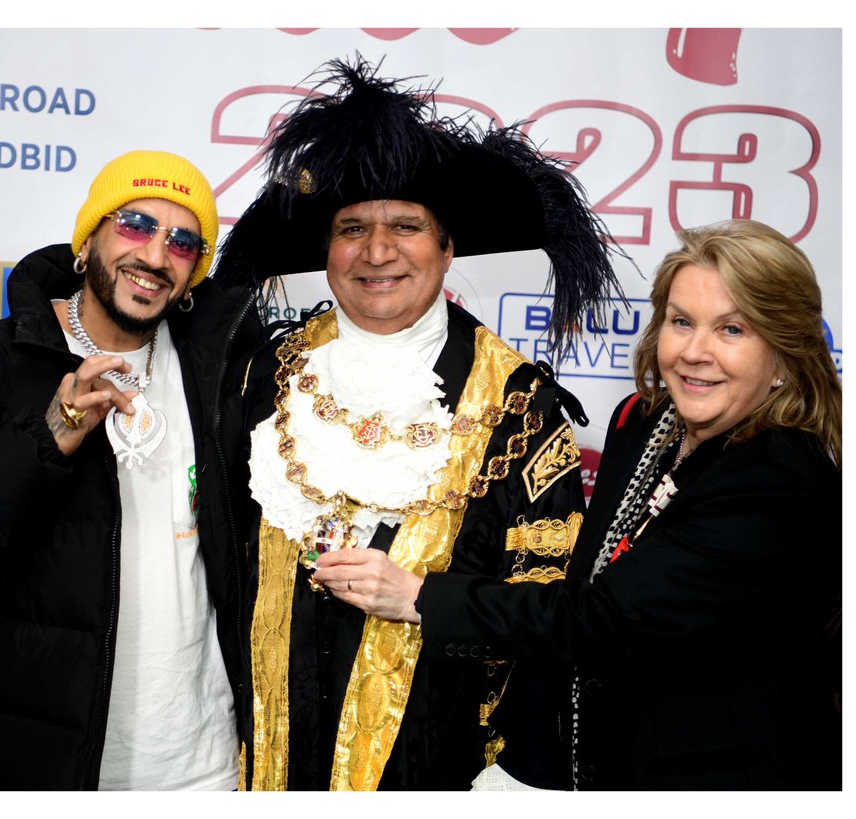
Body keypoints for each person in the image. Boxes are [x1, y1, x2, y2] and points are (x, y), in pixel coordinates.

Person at [212, 57, 624, 790]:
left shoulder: (519, 407)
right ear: (326, 249)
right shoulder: (261, 376)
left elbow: (550, 607)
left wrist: (422, 599)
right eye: (352, 228)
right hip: (262, 754)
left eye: (406, 226)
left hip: (436, 765)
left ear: (447, 248)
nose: (377, 252)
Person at [322, 219, 842, 790]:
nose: (695, 352)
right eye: (681, 322)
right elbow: (584, 586)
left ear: (785, 352)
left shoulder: (780, 478)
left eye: (733, 330)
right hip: (596, 766)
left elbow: (602, 620)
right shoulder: (643, 423)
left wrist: (419, 597)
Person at [0, 150, 262, 790]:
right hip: (37, 765)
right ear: (88, 241)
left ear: (194, 275)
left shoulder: (221, 380)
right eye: (135, 225)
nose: (157, 257)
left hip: (201, 764)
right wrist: (47, 438)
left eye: (184, 243)